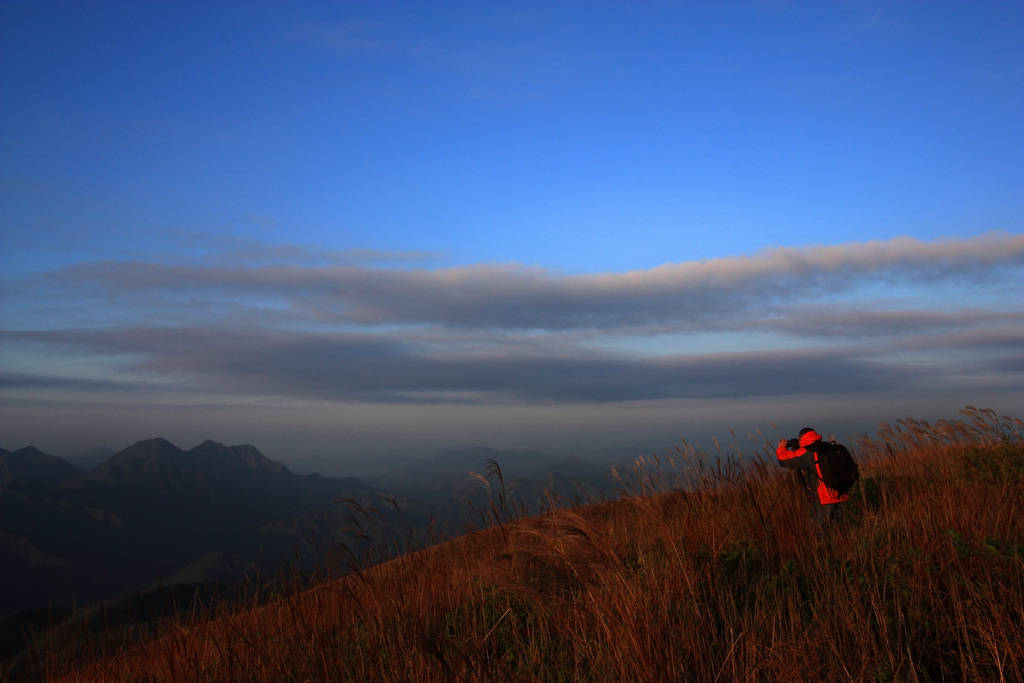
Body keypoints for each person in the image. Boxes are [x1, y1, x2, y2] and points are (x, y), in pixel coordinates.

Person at [776, 427, 849, 524]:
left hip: (822, 501)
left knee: (818, 534)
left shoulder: (808, 452)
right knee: (839, 534)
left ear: (801, 438)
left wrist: (782, 448)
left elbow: (784, 460)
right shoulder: (830, 448)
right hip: (841, 497)